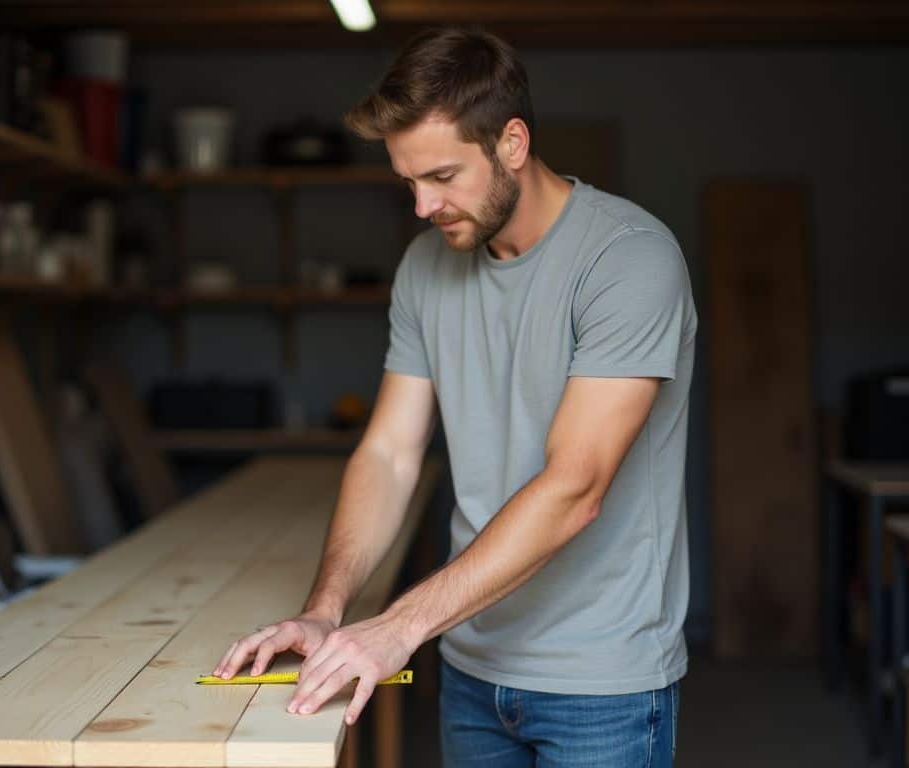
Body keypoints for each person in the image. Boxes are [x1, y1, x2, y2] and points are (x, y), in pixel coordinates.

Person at [214, 27, 697, 767]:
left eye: (440, 176)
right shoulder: (424, 267)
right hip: (470, 668)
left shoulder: (629, 259)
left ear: (511, 142)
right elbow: (388, 454)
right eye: (408, 182)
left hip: (602, 684)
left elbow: (576, 488)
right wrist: (327, 610)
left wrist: (399, 627)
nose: (421, 206)